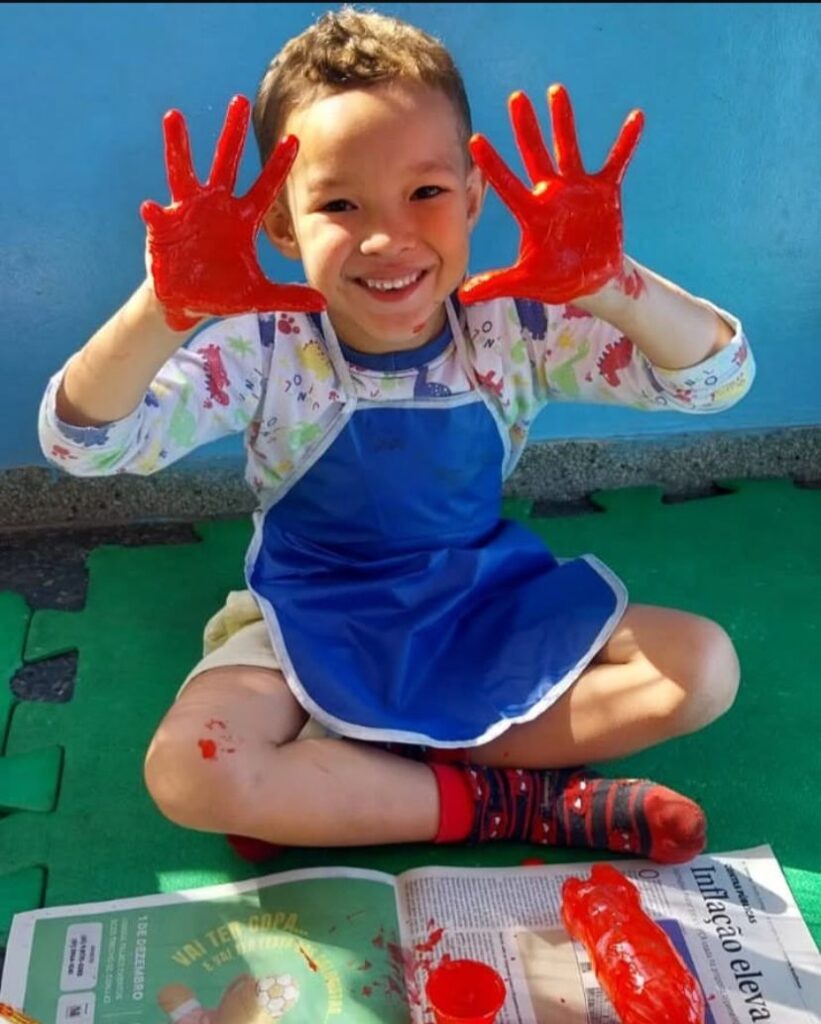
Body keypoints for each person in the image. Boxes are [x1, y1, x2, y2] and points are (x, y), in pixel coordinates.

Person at [39, 7, 754, 865]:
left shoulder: (513, 331)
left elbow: (713, 380)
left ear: (475, 197)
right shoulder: (263, 350)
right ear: (279, 225)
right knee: (192, 772)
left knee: (703, 668)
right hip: (307, 614)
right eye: (339, 203)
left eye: (425, 192)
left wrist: (613, 286)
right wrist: (164, 309)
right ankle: (510, 802)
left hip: (478, 606)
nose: (387, 237)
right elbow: (86, 444)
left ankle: (363, 778)